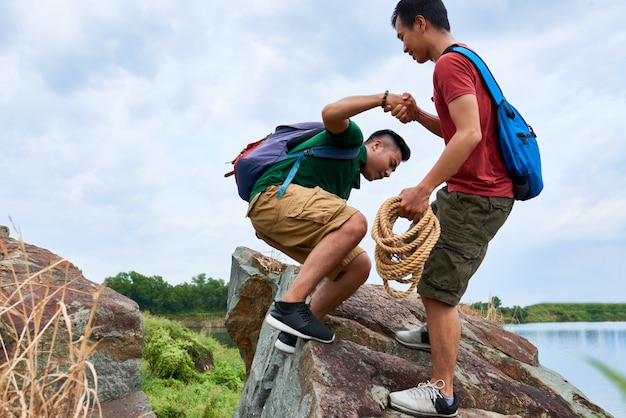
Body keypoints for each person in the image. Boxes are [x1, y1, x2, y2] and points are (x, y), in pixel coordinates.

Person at [385, 1, 515, 416]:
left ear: (420, 23)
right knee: (432, 265)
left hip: (478, 195)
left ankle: (442, 393)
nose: (404, 47)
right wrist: (420, 114)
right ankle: (435, 335)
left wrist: (423, 188)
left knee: (439, 290)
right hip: (470, 191)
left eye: (403, 35)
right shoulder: (468, 58)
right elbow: (459, 128)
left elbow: (470, 135)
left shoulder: (448, 65)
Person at [248, 93, 411, 354]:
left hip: (281, 218)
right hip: (270, 198)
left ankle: (293, 330)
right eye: (391, 164)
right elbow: (331, 112)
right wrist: (382, 99)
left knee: (359, 265)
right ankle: (290, 305)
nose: (389, 173)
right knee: (355, 222)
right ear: (377, 145)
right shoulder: (351, 141)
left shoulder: (344, 183)